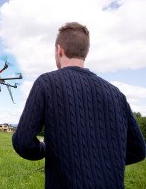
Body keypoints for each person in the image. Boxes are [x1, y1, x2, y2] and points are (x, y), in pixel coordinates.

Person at [12, 22, 146, 189]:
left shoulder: (47, 83)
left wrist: (47, 149)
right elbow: (138, 150)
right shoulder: (116, 94)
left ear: (59, 50)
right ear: (85, 53)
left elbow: (23, 143)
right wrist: (103, 161)